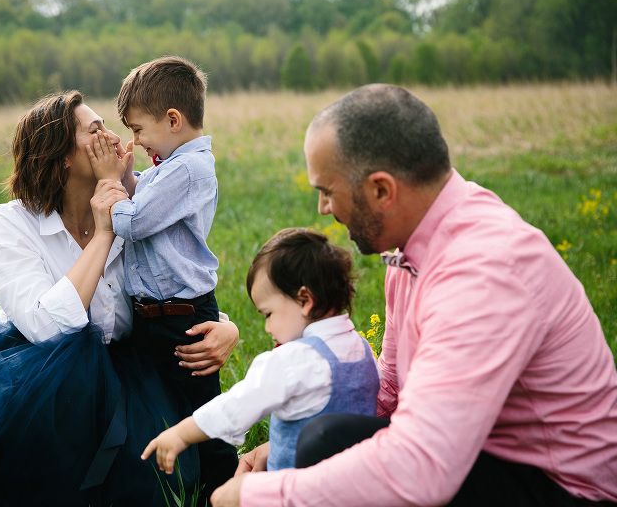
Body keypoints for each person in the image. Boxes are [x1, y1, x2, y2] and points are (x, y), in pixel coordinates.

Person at [211, 84, 617, 507]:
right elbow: (389, 391)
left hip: (562, 489)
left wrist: (262, 495)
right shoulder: (410, 252)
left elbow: (422, 468)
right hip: (486, 455)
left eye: (328, 191)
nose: (322, 208)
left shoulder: (481, 271)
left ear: (382, 190)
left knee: (330, 450)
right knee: (322, 440)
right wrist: (286, 451)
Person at [0, 90, 239, 507]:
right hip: (36, 379)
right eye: (95, 130)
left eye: (107, 125)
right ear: (63, 156)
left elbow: (175, 280)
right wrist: (105, 233)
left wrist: (227, 325)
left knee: (177, 473)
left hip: (132, 373)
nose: (113, 137)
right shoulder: (9, 224)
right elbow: (47, 328)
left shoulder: (140, 205)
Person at [88, 55, 239, 495]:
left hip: (182, 319)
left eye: (138, 130)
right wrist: (123, 176)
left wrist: (105, 183)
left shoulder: (191, 169)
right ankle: (175, 484)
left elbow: (133, 221)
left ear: (173, 119)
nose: (136, 140)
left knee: (201, 412)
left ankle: (224, 491)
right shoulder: (167, 168)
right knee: (157, 404)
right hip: (152, 316)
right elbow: (142, 198)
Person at [141, 227, 379, 473]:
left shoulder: (292, 360)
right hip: (355, 482)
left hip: (295, 489)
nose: (266, 327)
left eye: (268, 314)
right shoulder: (363, 349)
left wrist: (180, 434)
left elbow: (235, 408)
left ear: (305, 300)